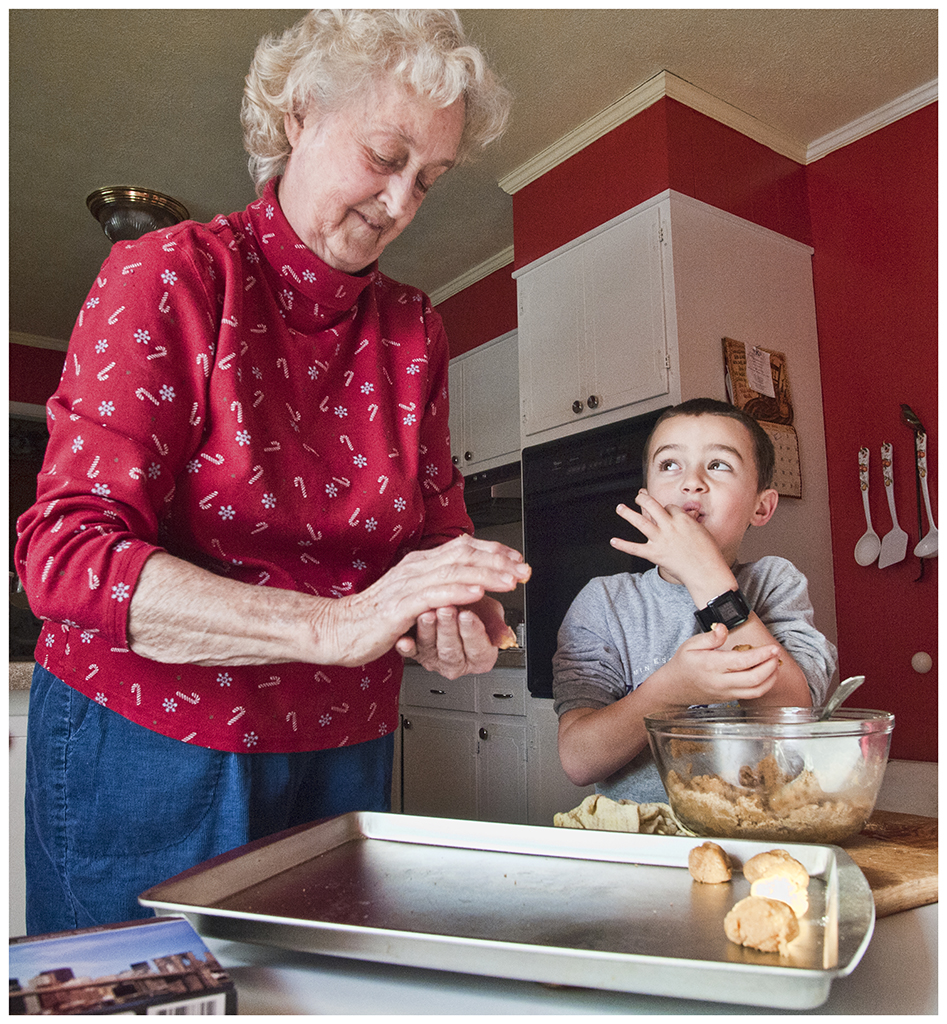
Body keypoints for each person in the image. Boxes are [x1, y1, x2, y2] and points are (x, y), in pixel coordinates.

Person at [15, 9, 525, 934]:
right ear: (299, 115)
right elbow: (66, 560)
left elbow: (432, 541)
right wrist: (336, 625)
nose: (402, 202)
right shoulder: (168, 276)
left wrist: (458, 613)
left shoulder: (415, 331)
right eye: (384, 154)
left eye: (430, 179)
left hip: (345, 750)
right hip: (152, 743)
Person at [553, 398, 837, 802]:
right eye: (670, 465)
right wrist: (670, 691)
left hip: (759, 831)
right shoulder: (605, 602)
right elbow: (579, 760)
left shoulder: (775, 583)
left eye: (719, 465)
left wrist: (707, 576)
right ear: (647, 495)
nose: (691, 482)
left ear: (762, 506)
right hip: (642, 840)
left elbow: (790, 720)